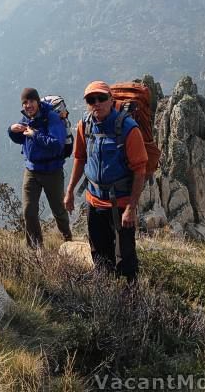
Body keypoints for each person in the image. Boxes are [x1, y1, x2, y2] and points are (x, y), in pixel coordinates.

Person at [64, 81, 147, 282]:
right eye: (91, 100)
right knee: (99, 253)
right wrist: (69, 191)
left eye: (101, 98)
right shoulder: (85, 125)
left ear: (111, 99)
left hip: (120, 204)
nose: (97, 103)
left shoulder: (128, 128)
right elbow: (80, 158)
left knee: (125, 256)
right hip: (94, 201)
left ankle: (130, 298)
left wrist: (131, 208)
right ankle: (105, 293)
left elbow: (140, 170)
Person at [8, 88, 72, 248]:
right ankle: (35, 249)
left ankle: (68, 241)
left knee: (58, 210)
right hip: (31, 170)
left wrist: (35, 135)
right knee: (29, 211)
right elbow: (22, 139)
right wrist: (12, 131)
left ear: (37, 101)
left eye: (31, 101)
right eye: (25, 102)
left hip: (52, 171)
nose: (28, 105)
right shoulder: (25, 117)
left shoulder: (51, 117)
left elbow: (57, 144)